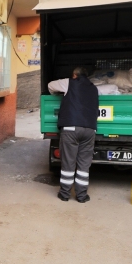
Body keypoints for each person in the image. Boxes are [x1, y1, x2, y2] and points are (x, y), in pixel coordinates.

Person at [57, 67, 99, 203]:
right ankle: (81, 196)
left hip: (70, 128)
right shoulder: (94, 88)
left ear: (74, 75)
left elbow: (50, 86)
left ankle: (65, 194)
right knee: (84, 165)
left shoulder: (69, 82)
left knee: (68, 163)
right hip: (90, 130)